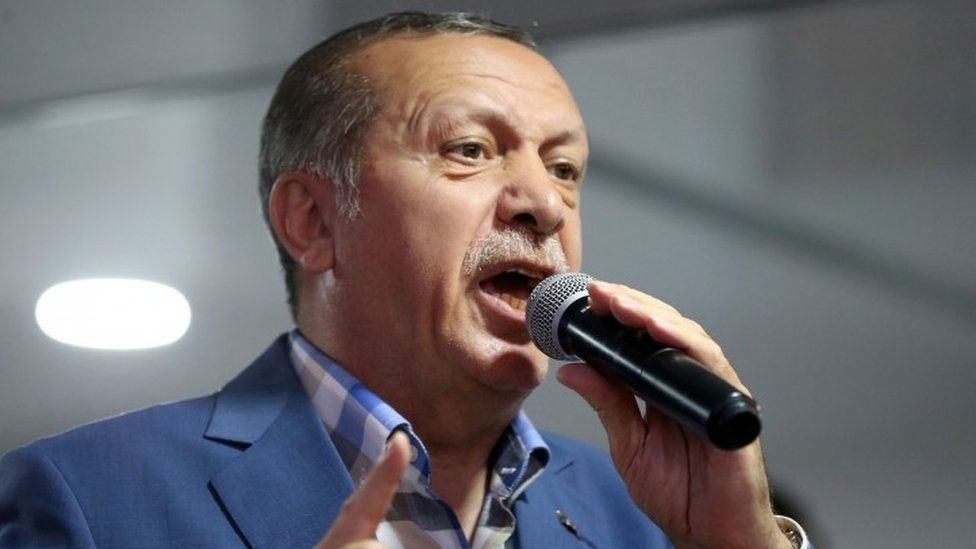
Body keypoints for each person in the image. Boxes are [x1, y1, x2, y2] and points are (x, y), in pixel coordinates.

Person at [0, 12, 809, 549]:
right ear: (313, 221)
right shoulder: (83, 500)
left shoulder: (638, 517)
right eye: (469, 150)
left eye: (564, 169)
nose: (541, 204)